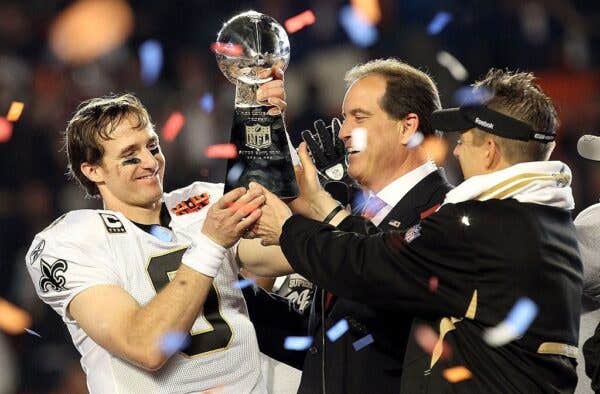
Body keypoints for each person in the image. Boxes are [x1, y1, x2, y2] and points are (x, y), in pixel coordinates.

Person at [249, 69, 582, 392]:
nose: (455, 150)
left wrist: (289, 226)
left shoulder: (477, 224)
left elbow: (375, 266)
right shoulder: (542, 220)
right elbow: (373, 278)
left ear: (491, 151)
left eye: (464, 141)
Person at [24, 92, 292, 393]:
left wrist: (271, 135)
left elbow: (290, 250)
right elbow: (145, 346)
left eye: (153, 147)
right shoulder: (71, 240)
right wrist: (212, 243)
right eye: (130, 156)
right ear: (92, 170)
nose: (151, 162)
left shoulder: (204, 201)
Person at [245, 58, 453, 394]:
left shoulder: (443, 214)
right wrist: (228, 297)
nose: (342, 131)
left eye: (359, 117)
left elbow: (378, 282)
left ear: (407, 127)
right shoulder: (365, 211)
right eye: (344, 118)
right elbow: (328, 338)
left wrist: (297, 224)